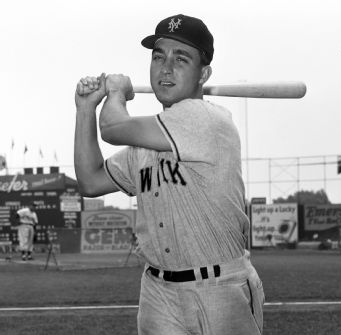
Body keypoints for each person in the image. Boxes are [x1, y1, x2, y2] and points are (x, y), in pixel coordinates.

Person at [74, 14, 264, 335]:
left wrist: (117, 92)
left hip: (218, 288)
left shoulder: (207, 120)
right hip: (158, 292)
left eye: (181, 58)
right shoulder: (144, 145)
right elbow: (90, 181)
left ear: (203, 74)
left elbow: (113, 127)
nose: (166, 67)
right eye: (159, 56)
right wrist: (84, 110)